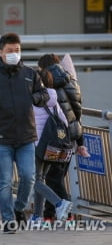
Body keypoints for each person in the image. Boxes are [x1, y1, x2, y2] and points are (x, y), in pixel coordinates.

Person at [0, 33, 49, 233]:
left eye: (17, 50)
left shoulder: (30, 74)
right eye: (10, 51)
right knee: (5, 181)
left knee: (29, 177)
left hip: (26, 136)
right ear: (1, 52)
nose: (14, 54)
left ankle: (19, 208)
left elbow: (44, 94)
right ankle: (7, 220)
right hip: (1, 137)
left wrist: (36, 98)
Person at [37, 53, 90, 222]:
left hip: (54, 138)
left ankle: (65, 213)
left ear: (44, 68)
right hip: (68, 138)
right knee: (56, 176)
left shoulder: (50, 86)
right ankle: (49, 214)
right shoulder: (71, 82)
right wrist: (79, 140)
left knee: (52, 177)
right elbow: (77, 113)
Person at [30, 69, 73, 224]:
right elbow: (65, 123)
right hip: (52, 148)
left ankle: (59, 203)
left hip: (36, 144)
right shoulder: (54, 100)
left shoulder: (33, 99)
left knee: (34, 181)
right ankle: (36, 217)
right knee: (40, 180)